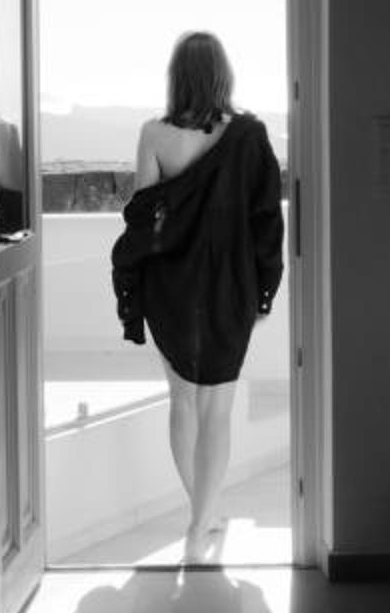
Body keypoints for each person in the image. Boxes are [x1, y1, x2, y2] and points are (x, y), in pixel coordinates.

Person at [110, 31, 285, 552]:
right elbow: (266, 220)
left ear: (177, 77)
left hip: (169, 286)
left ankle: (200, 514)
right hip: (230, 285)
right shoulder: (250, 135)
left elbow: (144, 216)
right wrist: (265, 288)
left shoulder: (153, 134)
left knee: (182, 402)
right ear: (222, 75)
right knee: (216, 410)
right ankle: (201, 520)